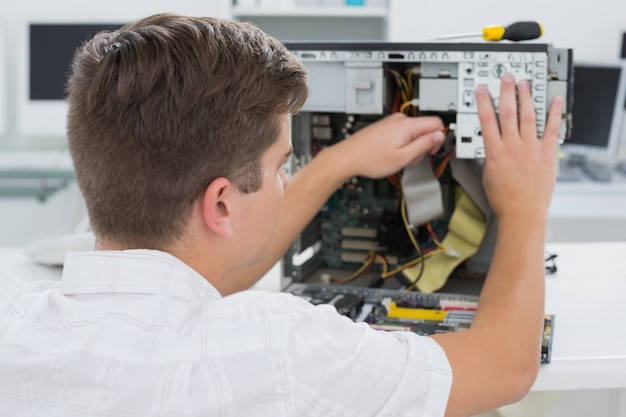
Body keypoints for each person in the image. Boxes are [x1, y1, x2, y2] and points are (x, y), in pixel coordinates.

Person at [0, 12, 562, 417]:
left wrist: (338, 161)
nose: (285, 182)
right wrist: (523, 205)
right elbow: (505, 366)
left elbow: (196, 271)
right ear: (221, 203)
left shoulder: (15, 325)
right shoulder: (280, 350)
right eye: (280, 169)